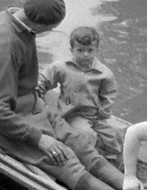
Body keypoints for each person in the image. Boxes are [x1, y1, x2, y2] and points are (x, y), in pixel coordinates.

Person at [0, 0, 137, 190]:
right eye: (51, 28)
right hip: (6, 118)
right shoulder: (6, 44)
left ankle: (133, 187)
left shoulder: (14, 17)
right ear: (39, 25)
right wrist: (39, 138)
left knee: (80, 144)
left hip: (32, 105)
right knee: (66, 159)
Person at [41, 25, 121, 164]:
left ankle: (112, 161)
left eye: (90, 50)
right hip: (74, 113)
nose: (85, 54)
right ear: (72, 50)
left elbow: (109, 94)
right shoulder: (62, 68)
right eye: (80, 50)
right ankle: (87, 161)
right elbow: (45, 80)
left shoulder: (104, 73)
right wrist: (37, 91)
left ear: (97, 50)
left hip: (96, 114)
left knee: (116, 133)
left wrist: (103, 112)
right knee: (86, 134)